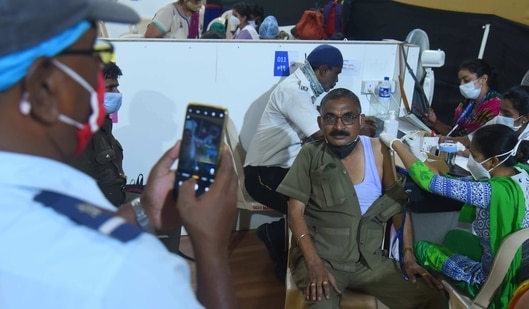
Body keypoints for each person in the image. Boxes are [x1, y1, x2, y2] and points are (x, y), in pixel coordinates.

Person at [0, 1, 238, 308]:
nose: (99, 84)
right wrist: (212, 247)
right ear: (44, 87)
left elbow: (52, 229)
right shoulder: (124, 270)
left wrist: (145, 210)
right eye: (92, 54)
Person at [277, 88, 446, 308]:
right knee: (321, 305)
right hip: (323, 258)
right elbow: (295, 213)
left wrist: (408, 255)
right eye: (330, 118)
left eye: (348, 118)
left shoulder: (379, 152)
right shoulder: (310, 155)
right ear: (320, 122)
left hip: (370, 262)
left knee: (433, 296)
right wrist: (314, 264)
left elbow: (397, 208)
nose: (339, 126)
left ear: (361, 120)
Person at [382, 124, 529, 308]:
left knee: (422, 248)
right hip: (522, 268)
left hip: (491, 280)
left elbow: (431, 183)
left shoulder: (489, 191)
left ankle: (438, 299)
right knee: (453, 237)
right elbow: (447, 181)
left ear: (493, 160)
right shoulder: (524, 174)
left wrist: (396, 145)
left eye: (474, 155)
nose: (470, 158)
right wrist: (418, 157)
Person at [244, 44, 343, 281]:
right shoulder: (295, 92)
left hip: (280, 170)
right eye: (336, 74)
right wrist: (355, 132)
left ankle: (278, 242)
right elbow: (321, 136)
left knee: (323, 199)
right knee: (311, 209)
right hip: (262, 175)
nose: (336, 80)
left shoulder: (303, 88)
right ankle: (276, 240)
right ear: (324, 70)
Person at [70, 62, 127, 207]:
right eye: (110, 88)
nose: (117, 93)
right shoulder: (81, 132)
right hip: (99, 211)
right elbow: (80, 191)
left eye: (116, 87)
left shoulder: (104, 126)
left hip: (117, 201)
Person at [422, 58, 501, 137]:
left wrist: (447, 140)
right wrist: (435, 123)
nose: (461, 85)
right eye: (460, 81)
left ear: (483, 79)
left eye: (466, 80)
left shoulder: (495, 106)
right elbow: (453, 134)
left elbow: (476, 141)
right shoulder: (467, 103)